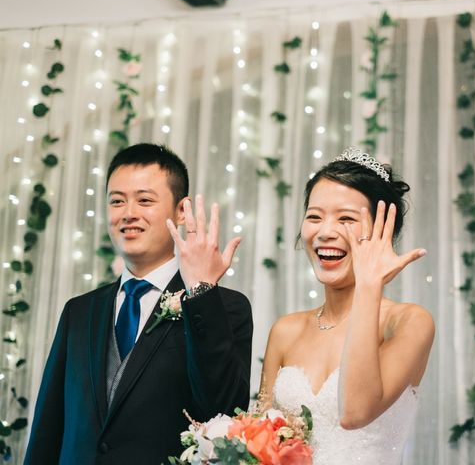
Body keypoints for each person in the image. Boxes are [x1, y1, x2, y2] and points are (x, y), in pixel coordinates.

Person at [24, 143, 253, 464]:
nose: (128, 213)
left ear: (180, 211)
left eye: (144, 200)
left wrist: (201, 293)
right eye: (117, 201)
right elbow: (49, 427)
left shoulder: (224, 308)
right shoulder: (79, 311)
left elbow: (224, 411)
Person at [259, 148, 435, 464]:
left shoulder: (409, 322)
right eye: (314, 216)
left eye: (346, 219)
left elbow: (355, 412)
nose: (325, 232)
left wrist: (370, 285)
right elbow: (258, 438)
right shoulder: (285, 330)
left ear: (383, 232)